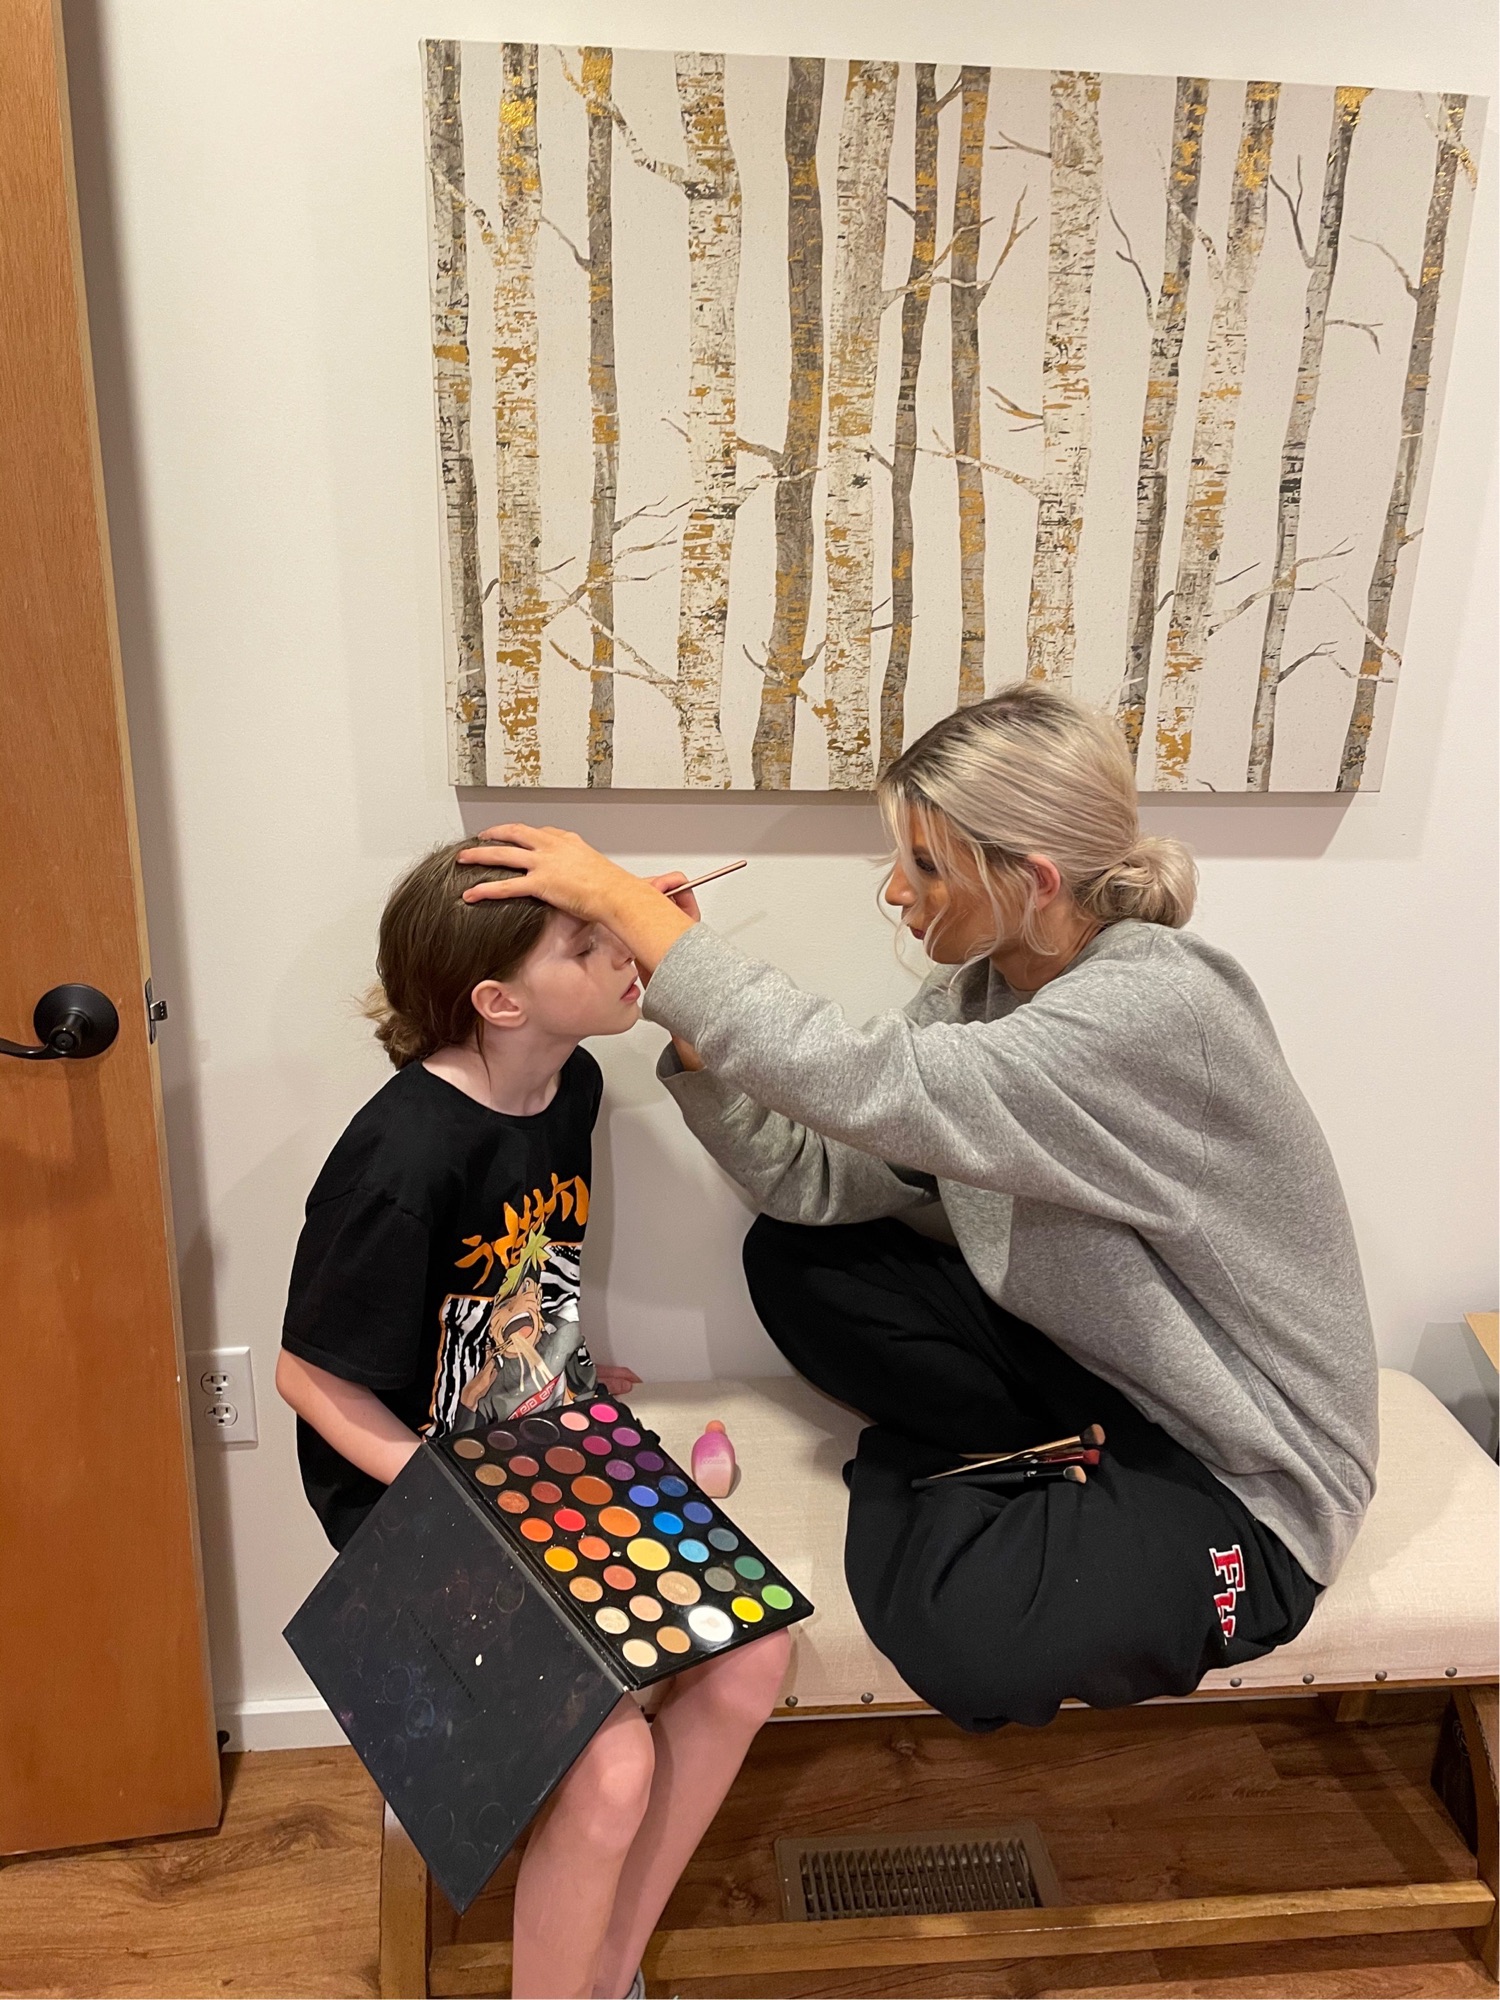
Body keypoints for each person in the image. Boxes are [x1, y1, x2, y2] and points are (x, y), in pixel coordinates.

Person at [457, 681, 1378, 1733]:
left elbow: (870, 1080)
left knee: (967, 1642)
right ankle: (1019, 1466)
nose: (898, 891)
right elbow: (820, 1172)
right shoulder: (989, 986)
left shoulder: (1152, 1008)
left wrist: (634, 919)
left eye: (928, 865)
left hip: (1243, 1469)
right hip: (1111, 1380)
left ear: (1031, 879)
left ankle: (935, 1469)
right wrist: (703, 1045)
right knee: (799, 1260)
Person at [275, 839, 790, 2000]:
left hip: (536, 1444)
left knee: (755, 1651)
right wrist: (457, 1497)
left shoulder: (575, 1086)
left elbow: (525, 1271)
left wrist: (563, 1368)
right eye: (584, 938)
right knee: (610, 1765)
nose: (622, 948)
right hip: (418, 1492)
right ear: (498, 1001)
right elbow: (312, 1380)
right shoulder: (399, 1156)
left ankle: (604, 1972)